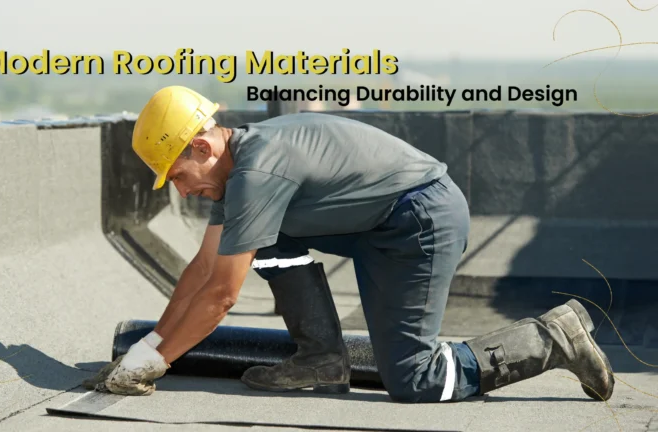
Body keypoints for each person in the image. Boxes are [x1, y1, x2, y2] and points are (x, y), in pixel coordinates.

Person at [83, 86, 615, 402]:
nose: (182, 191)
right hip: (380, 223)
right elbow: (202, 270)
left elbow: (221, 296)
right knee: (260, 239)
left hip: (420, 221)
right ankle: (321, 359)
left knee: (415, 380)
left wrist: (154, 364)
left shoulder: (258, 170)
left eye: (178, 175)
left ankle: (549, 339)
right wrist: (149, 347)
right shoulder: (236, 173)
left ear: (201, 144)